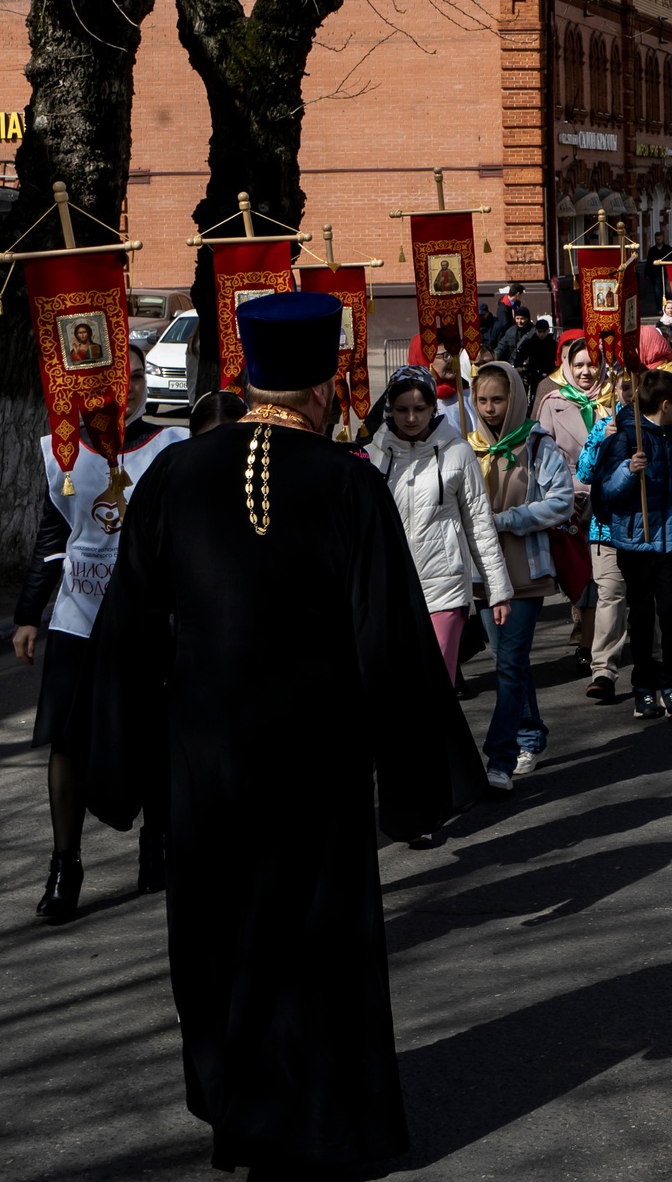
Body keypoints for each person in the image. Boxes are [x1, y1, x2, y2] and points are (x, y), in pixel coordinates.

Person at [81, 291, 483, 1176]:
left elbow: (125, 635)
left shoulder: (175, 477)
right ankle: (324, 1124)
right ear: (326, 384)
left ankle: (244, 1113)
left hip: (203, 761)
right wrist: (417, 774)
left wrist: (117, 765)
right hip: (316, 763)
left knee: (221, 937)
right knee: (316, 937)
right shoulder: (347, 482)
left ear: (248, 372)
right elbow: (388, 637)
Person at [12, 345, 183, 922]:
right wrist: (28, 614)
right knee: (65, 741)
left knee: (156, 735)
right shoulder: (63, 450)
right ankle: (65, 866)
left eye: (137, 377)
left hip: (146, 619)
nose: (130, 387)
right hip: (77, 617)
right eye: (118, 378)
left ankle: (156, 845)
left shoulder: (169, 448)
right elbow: (50, 539)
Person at [366, 365, 514, 683]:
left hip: (444, 587)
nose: (410, 418)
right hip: (391, 588)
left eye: (419, 409)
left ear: (434, 406)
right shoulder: (371, 456)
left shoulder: (458, 452)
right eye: (402, 409)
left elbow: (479, 523)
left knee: (436, 686)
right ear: (390, 409)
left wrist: (498, 590)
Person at [467, 360, 575, 789]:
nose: (490, 408)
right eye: (482, 400)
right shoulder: (465, 445)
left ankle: (507, 751)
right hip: (481, 575)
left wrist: (508, 518)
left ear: (514, 398)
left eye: (498, 399)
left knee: (511, 662)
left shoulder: (534, 444)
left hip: (526, 570)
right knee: (505, 662)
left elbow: (561, 500)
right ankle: (531, 732)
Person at [583, 368, 672, 720]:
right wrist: (627, 471)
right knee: (641, 617)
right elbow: (605, 492)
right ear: (665, 404)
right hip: (635, 543)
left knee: (669, 614)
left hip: (670, 544)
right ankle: (644, 688)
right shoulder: (624, 439)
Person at [535, 333, 617, 704]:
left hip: (611, 496)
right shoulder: (552, 402)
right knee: (579, 575)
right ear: (567, 366)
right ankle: (588, 638)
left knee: (605, 578)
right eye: (579, 364)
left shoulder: (613, 397)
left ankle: (595, 646)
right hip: (569, 499)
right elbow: (542, 455)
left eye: (592, 364)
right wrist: (568, 495)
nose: (586, 372)